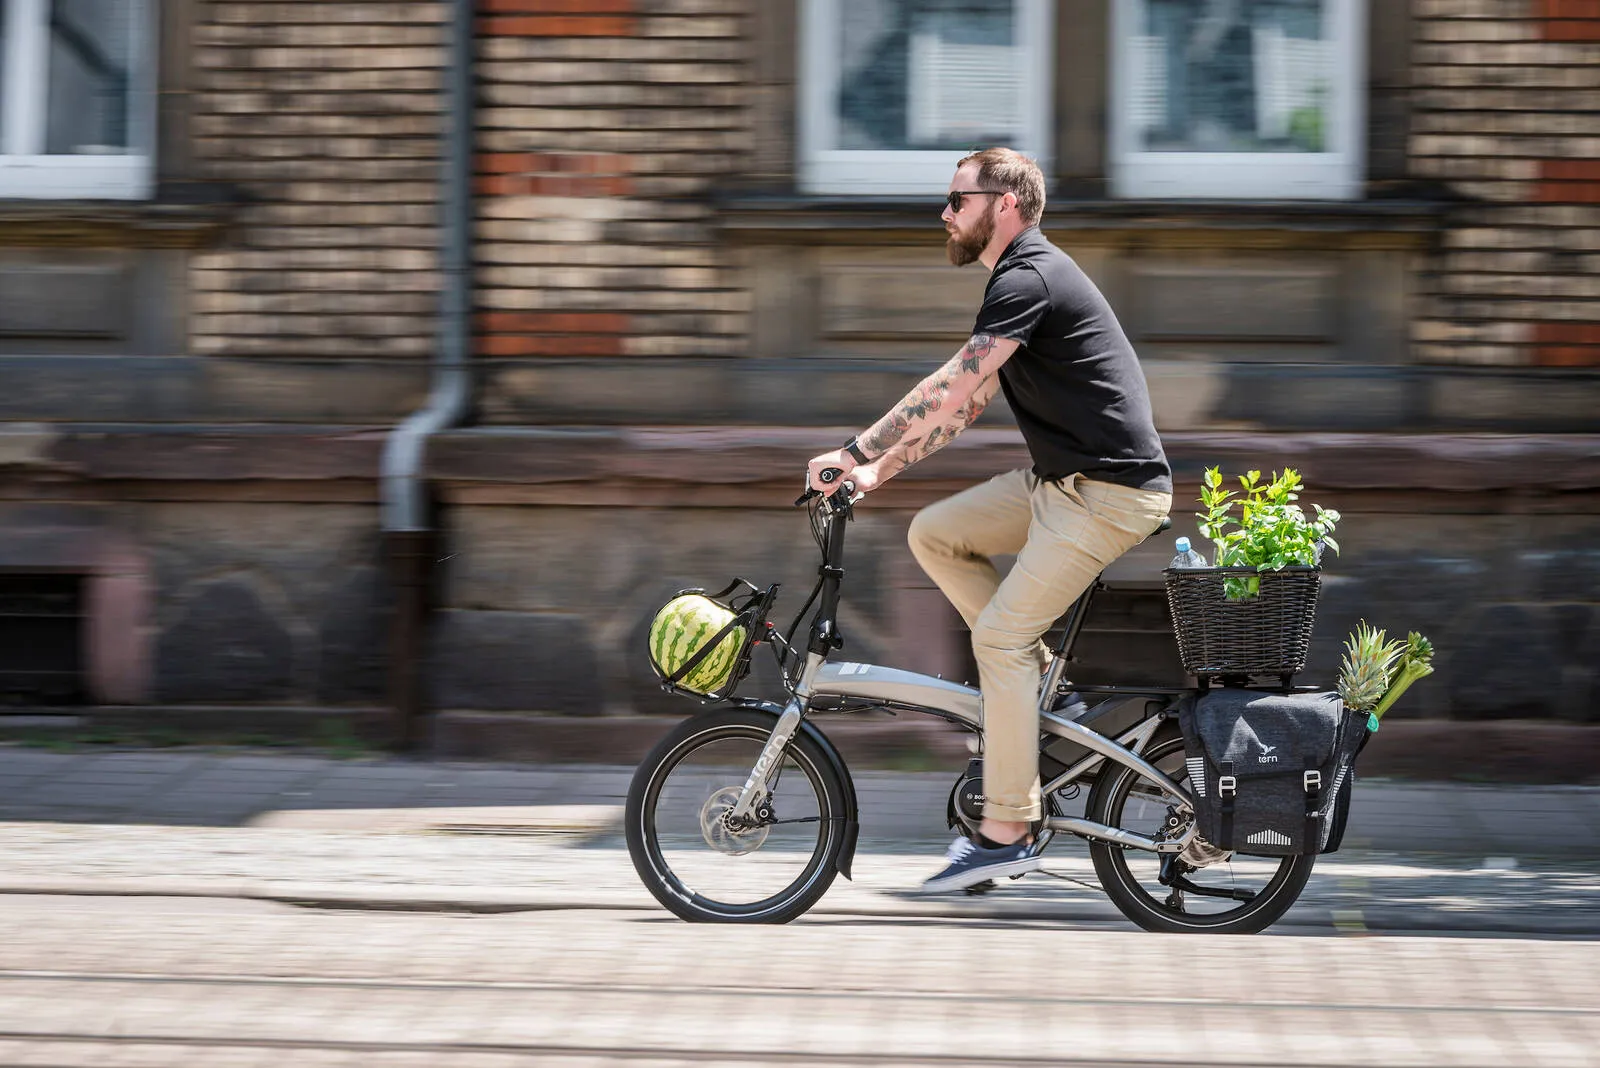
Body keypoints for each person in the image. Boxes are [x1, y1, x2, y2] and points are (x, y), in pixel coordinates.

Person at [806, 148, 1173, 893]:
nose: (944, 213)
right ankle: (1039, 693)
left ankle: (1006, 830)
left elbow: (956, 378)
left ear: (1004, 204)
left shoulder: (1030, 274)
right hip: (1061, 485)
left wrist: (854, 447)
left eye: (956, 199)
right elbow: (967, 406)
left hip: (1110, 494)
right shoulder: (1018, 284)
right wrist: (879, 472)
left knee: (999, 638)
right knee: (936, 532)